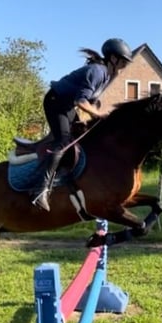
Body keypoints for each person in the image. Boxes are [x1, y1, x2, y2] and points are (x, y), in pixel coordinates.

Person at [32, 38, 134, 211]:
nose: (124, 67)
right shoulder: (97, 71)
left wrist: (98, 114)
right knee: (64, 141)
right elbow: (81, 101)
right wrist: (98, 114)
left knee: (81, 134)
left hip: (66, 104)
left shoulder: (105, 76)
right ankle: (40, 190)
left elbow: (91, 102)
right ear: (113, 59)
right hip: (55, 101)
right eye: (123, 62)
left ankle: (67, 178)